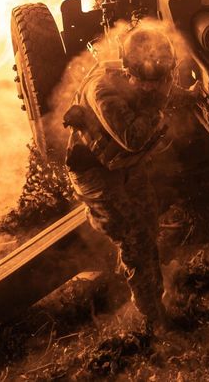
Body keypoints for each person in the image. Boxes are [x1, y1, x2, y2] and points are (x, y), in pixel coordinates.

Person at [62, 24, 176, 330]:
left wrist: (189, 95)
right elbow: (133, 138)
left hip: (123, 164)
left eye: (160, 80)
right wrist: (161, 100)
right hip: (93, 172)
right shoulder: (102, 91)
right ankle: (153, 319)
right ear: (128, 71)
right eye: (145, 81)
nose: (151, 88)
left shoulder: (146, 77)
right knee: (133, 237)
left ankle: (146, 292)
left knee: (149, 224)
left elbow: (156, 89)